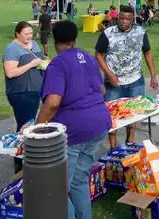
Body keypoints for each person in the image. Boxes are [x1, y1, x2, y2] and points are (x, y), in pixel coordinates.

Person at [36, 21, 112, 219]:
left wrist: (37, 129)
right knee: (79, 181)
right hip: (98, 125)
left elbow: (52, 102)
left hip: (74, 132)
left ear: (55, 40)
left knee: (57, 189)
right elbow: (102, 90)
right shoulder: (88, 57)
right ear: (75, 39)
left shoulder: (58, 63)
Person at [95, 5, 158, 149]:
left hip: (136, 81)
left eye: (128, 19)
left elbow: (147, 53)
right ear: (118, 17)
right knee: (113, 117)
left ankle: (129, 145)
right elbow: (98, 55)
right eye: (122, 18)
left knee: (133, 116)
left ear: (132, 19)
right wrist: (109, 75)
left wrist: (153, 76)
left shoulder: (140, 32)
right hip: (114, 83)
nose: (124, 22)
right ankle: (113, 148)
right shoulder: (108, 32)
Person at [2, 21, 45, 173]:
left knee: (31, 124)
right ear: (17, 34)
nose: (29, 37)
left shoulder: (34, 44)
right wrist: (31, 64)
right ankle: (20, 162)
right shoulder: (12, 49)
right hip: (21, 92)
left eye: (31, 33)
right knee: (25, 126)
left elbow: (39, 60)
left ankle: (28, 157)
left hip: (35, 89)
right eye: (25, 34)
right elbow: (10, 73)